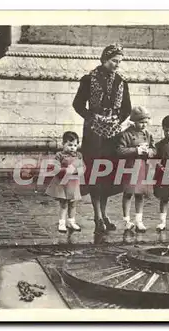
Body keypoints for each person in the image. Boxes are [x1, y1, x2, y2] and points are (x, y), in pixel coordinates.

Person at [72, 43, 132, 234]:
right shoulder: (88, 80)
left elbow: (127, 109)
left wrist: (116, 119)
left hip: (113, 135)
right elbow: (78, 104)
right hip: (93, 134)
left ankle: (104, 214)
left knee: (108, 175)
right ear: (104, 59)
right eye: (114, 61)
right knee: (95, 173)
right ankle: (97, 215)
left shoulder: (121, 82)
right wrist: (92, 117)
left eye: (119, 62)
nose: (117, 65)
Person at [116, 106, 156, 232]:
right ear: (134, 121)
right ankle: (126, 220)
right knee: (128, 194)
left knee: (140, 194)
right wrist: (136, 150)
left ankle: (139, 220)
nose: (144, 125)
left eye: (145, 122)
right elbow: (119, 150)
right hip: (130, 167)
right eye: (141, 122)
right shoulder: (126, 134)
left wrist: (149, 152)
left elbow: (155, 150)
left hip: (143, 167)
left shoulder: (148, 135)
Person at [45, 131, 85, 233]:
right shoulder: (59, 155)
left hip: (74, 183)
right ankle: (62, 223)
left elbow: (83, 167)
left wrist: (77, 171)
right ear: (63, 144)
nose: (73, 148)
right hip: (63, 183)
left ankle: (71, 221)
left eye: (75, 145)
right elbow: (55, 168)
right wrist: (66, 170)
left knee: (73, 203)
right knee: (64, 204)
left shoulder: (79, 155)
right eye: (70, 145)